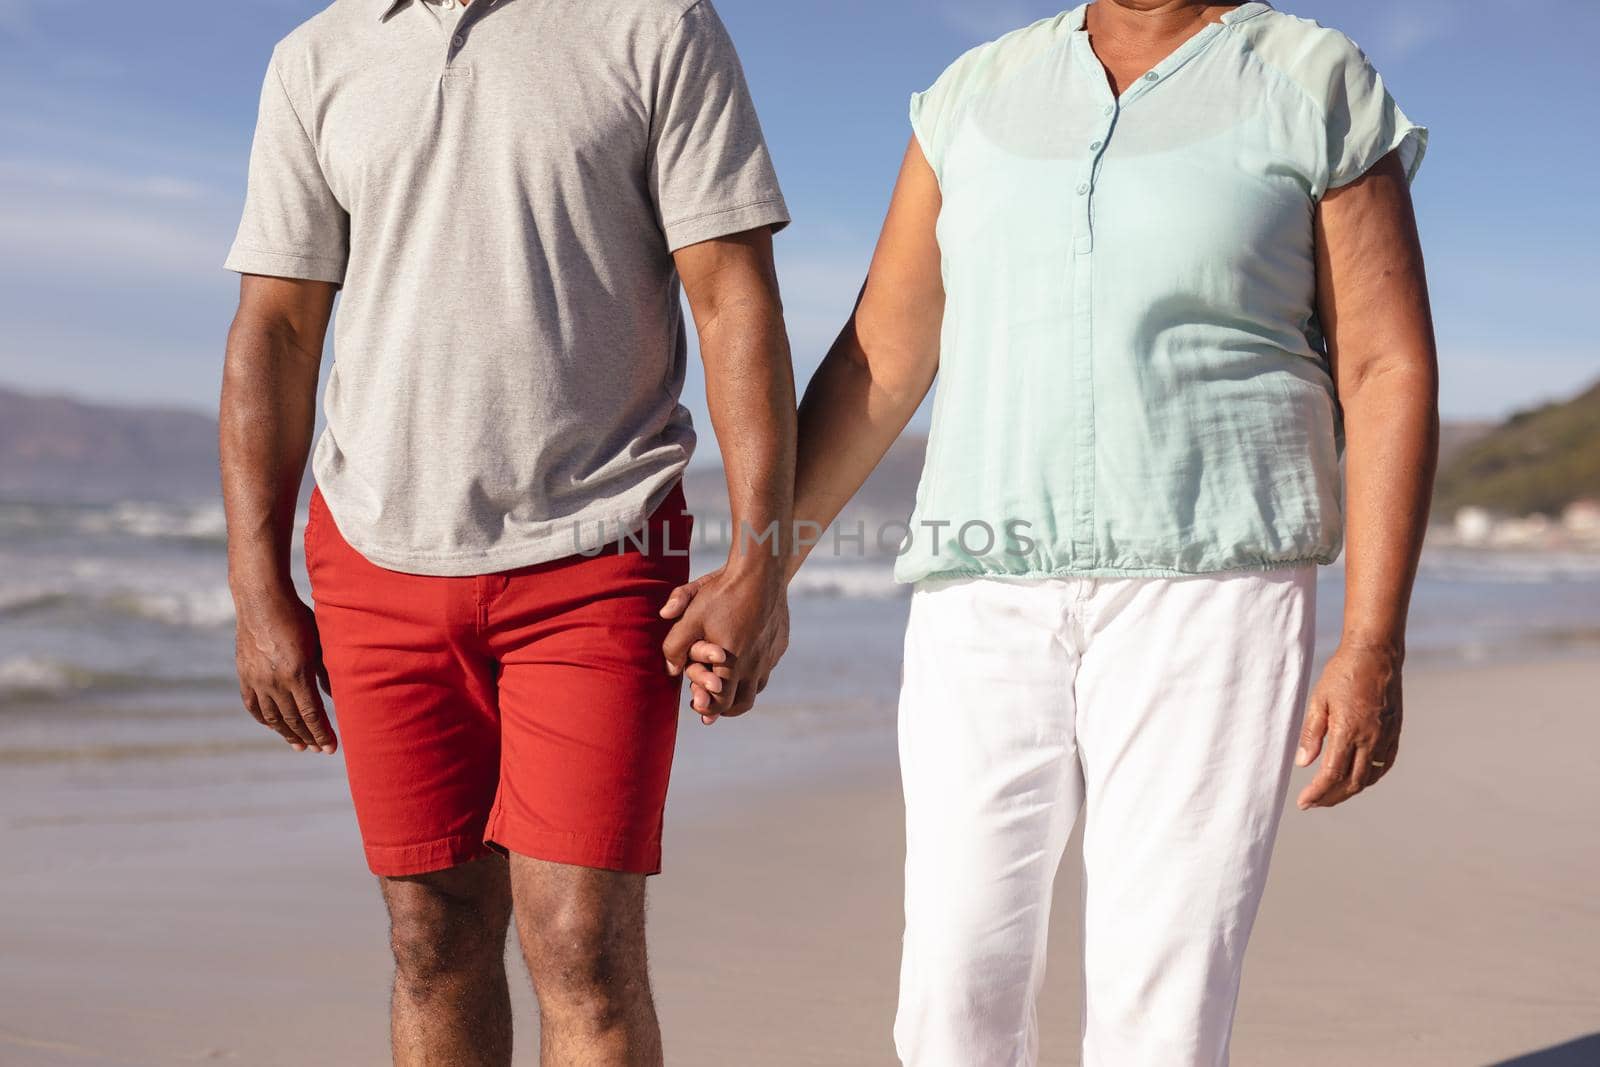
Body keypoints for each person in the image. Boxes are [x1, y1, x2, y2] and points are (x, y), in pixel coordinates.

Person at [667, 2, 1437, 1064]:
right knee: (949, 991)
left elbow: (1383, 365)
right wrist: (764, 567)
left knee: (1159, 999)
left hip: (1210, 590)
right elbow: (879, 361)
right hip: (980, 596)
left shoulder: (1309, 77)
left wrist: (1372, 641)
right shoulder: (973, 95)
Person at [219, 0, 795, 1063]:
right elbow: (278, 326)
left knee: (581, 940)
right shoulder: (317, 56)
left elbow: (732, 299)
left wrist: (763, 559)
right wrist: (256, 589)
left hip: (600, 549)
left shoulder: (653, 24)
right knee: (430, 932)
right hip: (373, 558)